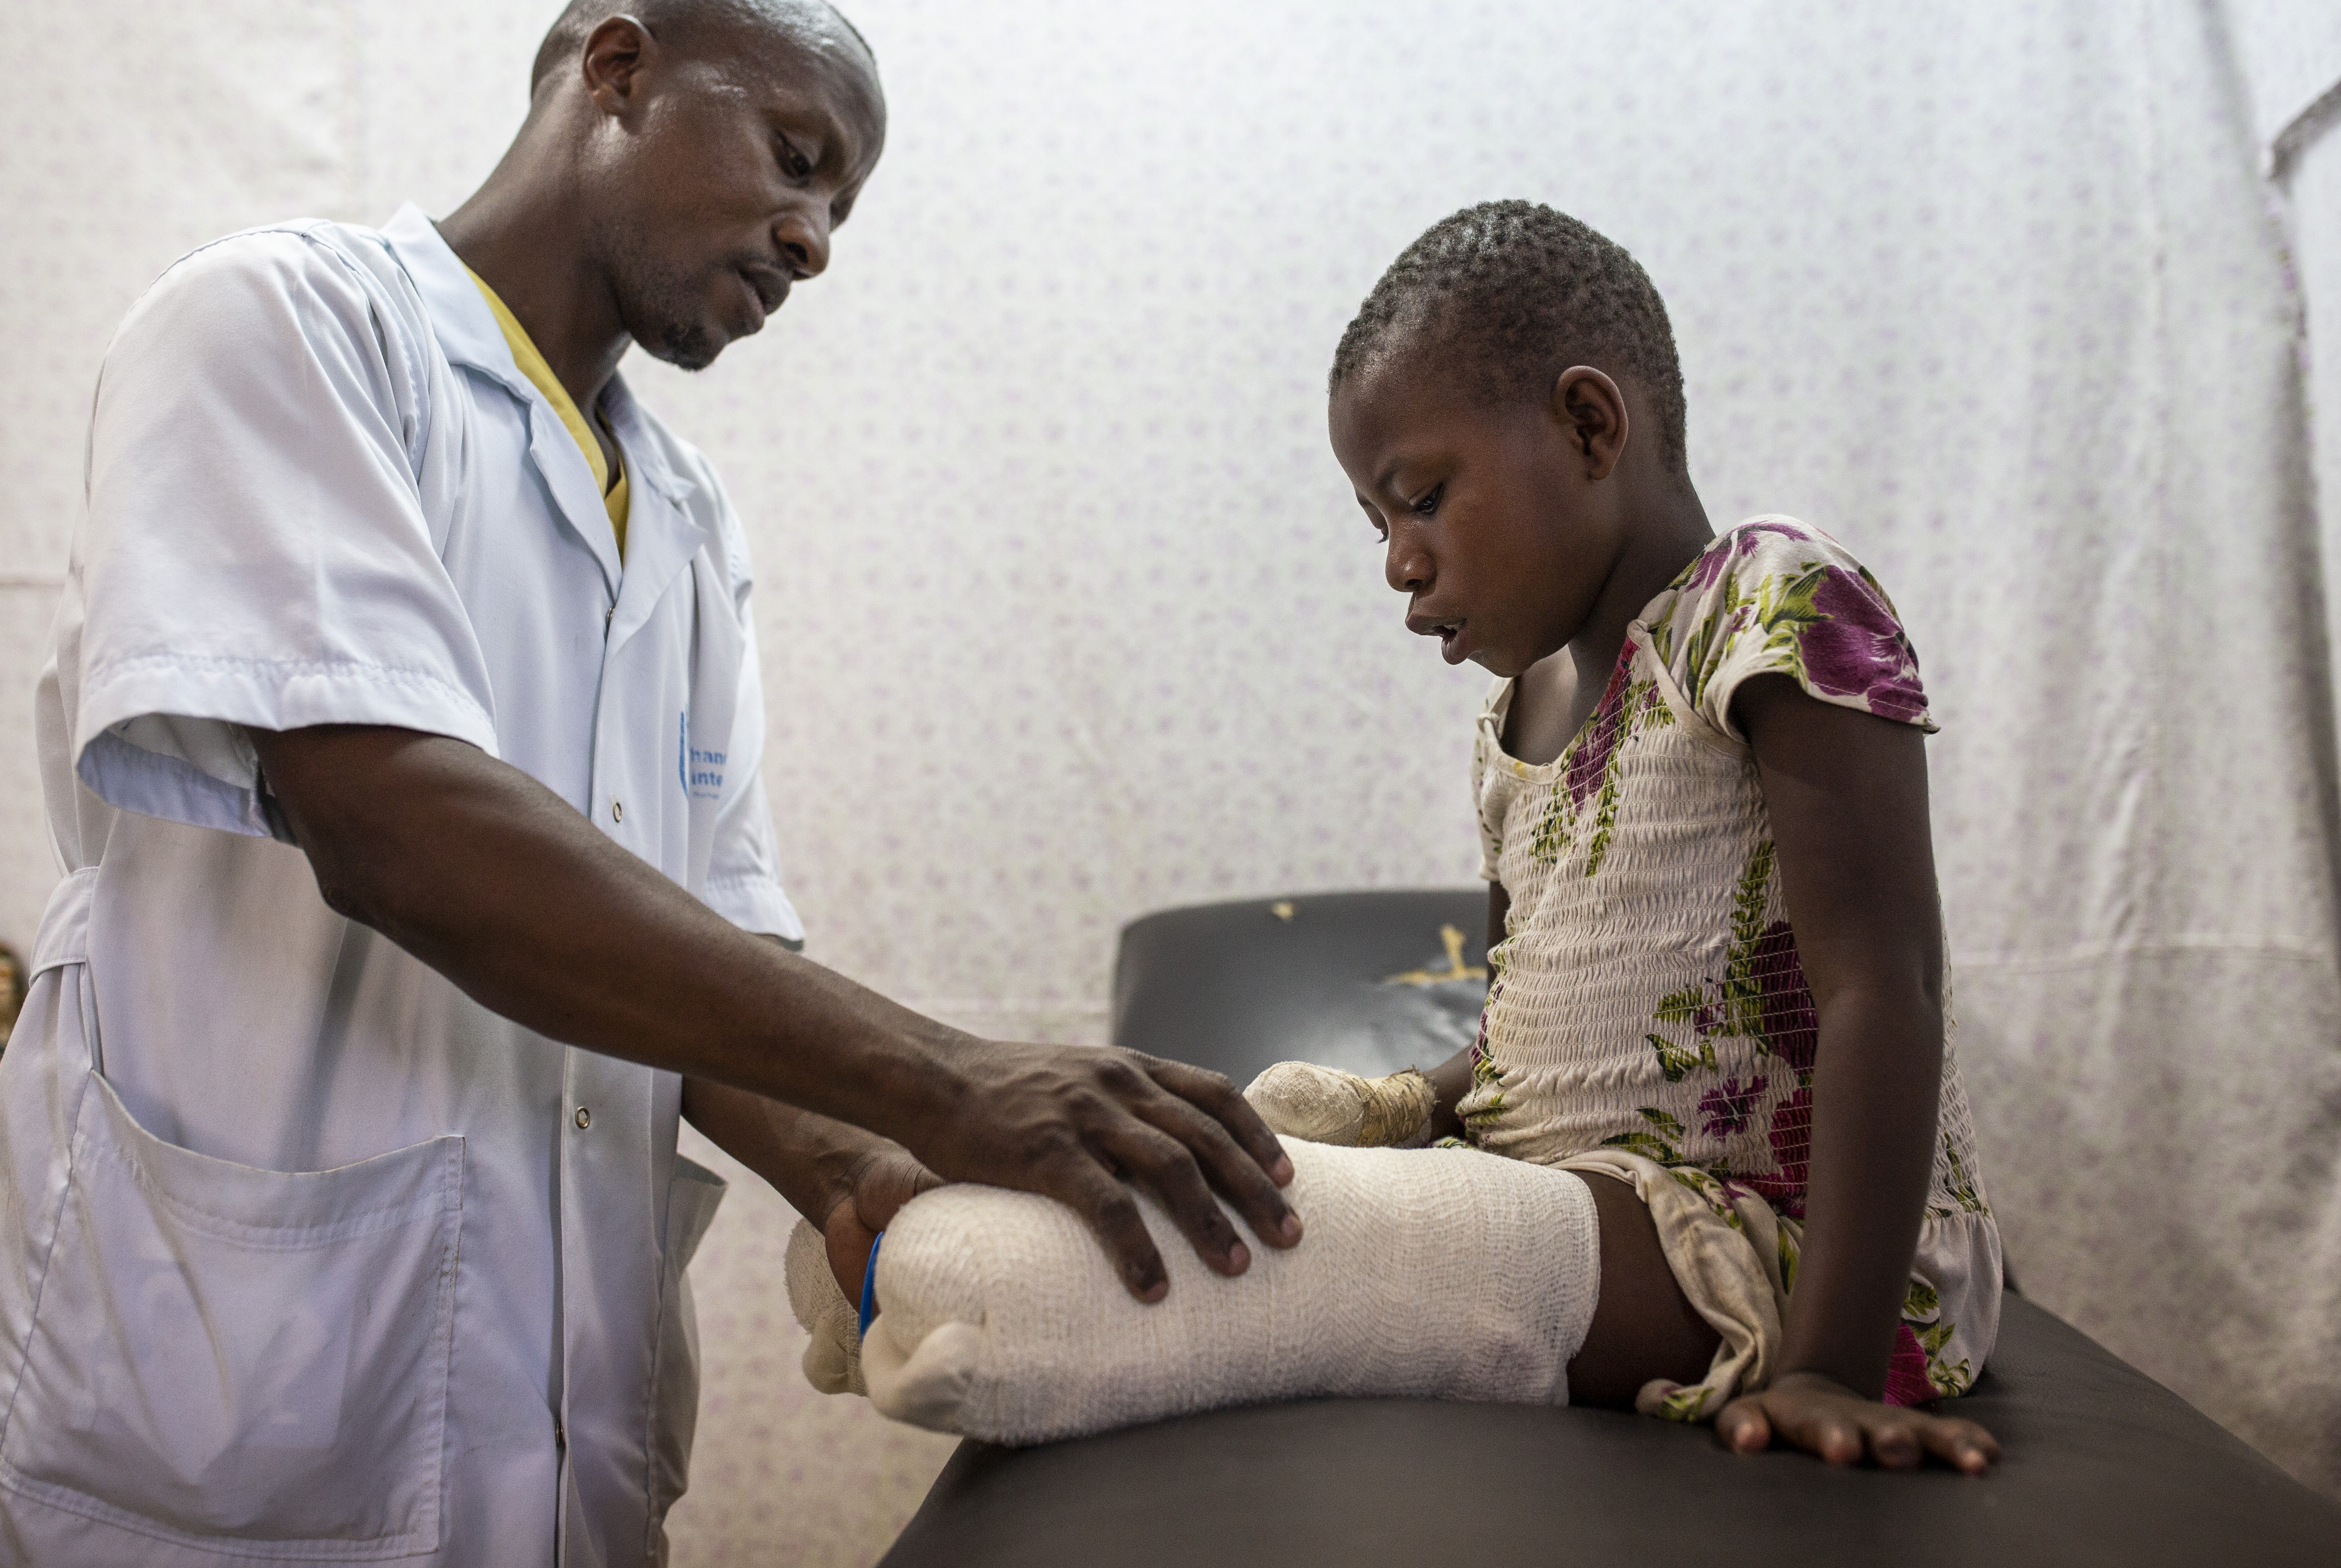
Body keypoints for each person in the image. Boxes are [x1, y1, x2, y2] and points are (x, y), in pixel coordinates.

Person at [0, 0, 1295, 1567]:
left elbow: (703, 966)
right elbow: (396, 826)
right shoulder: (289, 325)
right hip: (210, 1422)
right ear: (615, 71)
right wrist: (950, 1077)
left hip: (542, 1447)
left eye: (842, 207)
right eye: (798, 158)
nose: (816, 242)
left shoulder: (685, 523)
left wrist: (859, 1167)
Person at [797, 200, 2003, 1474]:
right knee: (1258, 1130)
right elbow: (1526, 1040)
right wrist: (1388, 1106)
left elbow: (1884, 983)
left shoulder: (1773, 601)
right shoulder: (1513, 725)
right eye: (1378, 525)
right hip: (1575, 1194)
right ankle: (964, 1230)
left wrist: (1829, 1363)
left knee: (1367, 1242)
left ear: (1592, 426)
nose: (1397, 564)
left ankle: (985, 1283)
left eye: (1419, 500)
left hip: (1777, 1248)